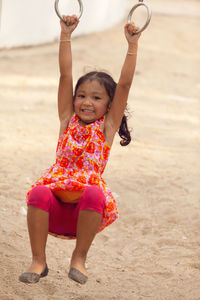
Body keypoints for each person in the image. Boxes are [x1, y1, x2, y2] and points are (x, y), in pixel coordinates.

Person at [19, 15, 141, 285]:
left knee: (96, 192)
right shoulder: (67, 119)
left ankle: (79, 258)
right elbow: (65, 75)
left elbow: (124, 85)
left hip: (83, 217)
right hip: (52, 213)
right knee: (38, 191)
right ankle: (38, 260)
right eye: (82, 96)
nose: (87, 102)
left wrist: (132, 44)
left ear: (109, 106)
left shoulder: (106, 127)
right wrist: (65, 35)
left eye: (97, 98)